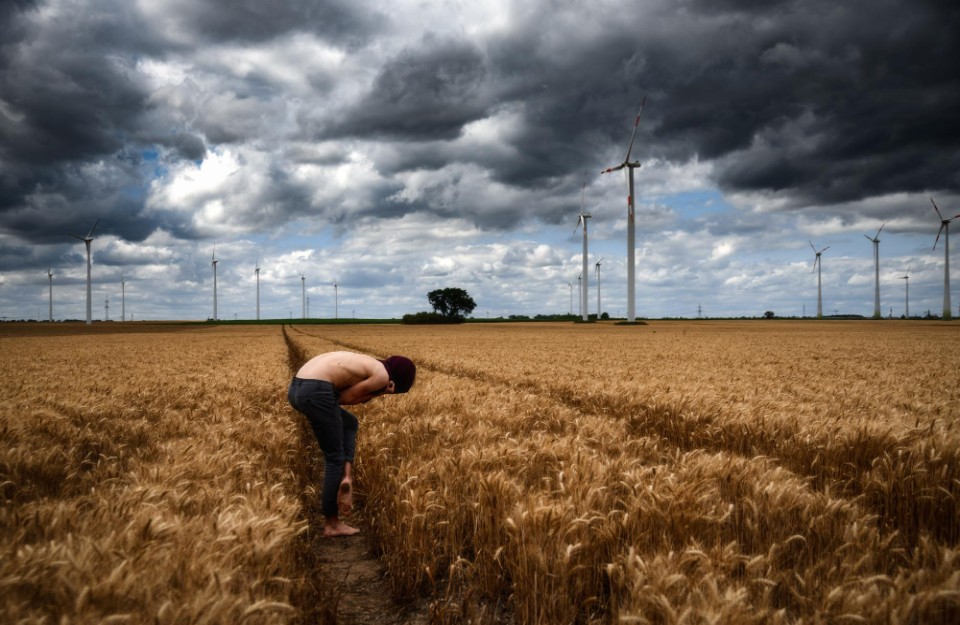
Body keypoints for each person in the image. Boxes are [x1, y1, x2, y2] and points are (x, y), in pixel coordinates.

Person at [287, 351, 416, 537]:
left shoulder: (373, 364)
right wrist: (378, 392)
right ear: (397, 381)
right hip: (315, 390)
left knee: (350, 423)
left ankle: (346, 476)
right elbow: (344, 399)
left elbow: (337, 396)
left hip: (296, 388)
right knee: (334, 458)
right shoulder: (381, 376)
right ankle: (331, 524)